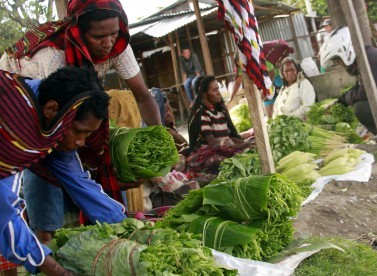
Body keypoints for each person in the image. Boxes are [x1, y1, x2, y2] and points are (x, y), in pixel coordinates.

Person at [0, 0, 160, 244]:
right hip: (25, 114)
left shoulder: (116, 44)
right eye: (99, 36)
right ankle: (44, 239)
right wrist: (43, 262)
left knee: (73, 168)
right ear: (79, 33)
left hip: (62, 114)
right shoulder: (53, 57)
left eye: (113, 33)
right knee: (45, 166)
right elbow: (51, 126)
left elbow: (142, 95)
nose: (108, 43)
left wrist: (160, 133)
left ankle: (119, 223)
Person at [0, 67, 126, 275]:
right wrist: (54, 268)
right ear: (51, 109)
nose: (81, 142)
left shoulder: (55, 117)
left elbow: (79, 182)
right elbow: (3, 211)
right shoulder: (12, 125)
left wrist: (128, 226)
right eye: (79, 131)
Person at [187, 76, 254, 176]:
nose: (219, 93)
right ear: (205, 94)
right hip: (210, 154)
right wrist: (242, 145)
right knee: (221, 161)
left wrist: (247, 144)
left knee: (252, 143)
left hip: (226, 148)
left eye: (218, 89)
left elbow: (229, 137)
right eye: (214, 90)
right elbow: (213, 142)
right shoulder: (203, 115)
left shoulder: (220, 112)